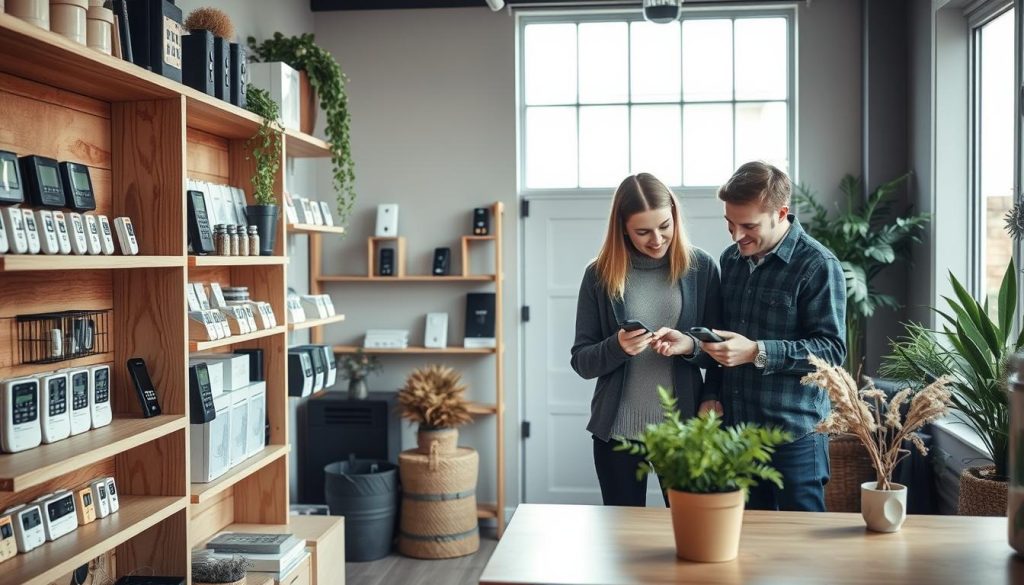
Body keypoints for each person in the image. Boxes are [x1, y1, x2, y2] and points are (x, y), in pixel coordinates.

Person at [654, 161, 846, 512]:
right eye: (730, 224)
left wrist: (757, 351)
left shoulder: (818, 265)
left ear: (781, 213)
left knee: (798, 549)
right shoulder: (731, 261)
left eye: (749, 226)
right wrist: (710, 390)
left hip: (795, 437)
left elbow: (831, 351)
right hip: (735, 435)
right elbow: (719, 342)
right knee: (743, 549)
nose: (736, 236)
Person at [570, 173, 722, 507]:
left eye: (664, 226)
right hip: (617, 434)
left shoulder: (701, 268)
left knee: (692, 533)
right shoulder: (598, 276)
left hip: (683, 430)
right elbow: (581, 360)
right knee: (623, 541)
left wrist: (690, 346)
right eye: (643, 231)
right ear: (622, 228)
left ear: (675, 215)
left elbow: (720, 351)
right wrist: (617, 347)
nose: (656, 239)